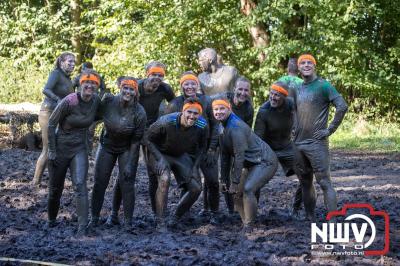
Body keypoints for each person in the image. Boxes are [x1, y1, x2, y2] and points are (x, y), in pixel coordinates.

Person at [106, 61, 175, 225]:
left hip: (153, 132)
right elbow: (121, 101)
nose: (157, 78)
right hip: (133, 132)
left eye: (160, 75)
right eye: (154, 74)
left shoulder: (165, 89)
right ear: (147, 74)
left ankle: (155, 212)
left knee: (154, 174)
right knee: (125, 173)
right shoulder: (136, 86)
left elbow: (175, 106)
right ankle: (114, 213)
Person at [292, 54, 348, 220]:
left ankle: (333, 220)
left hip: (317, 143)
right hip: (298, 143)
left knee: (324, 182)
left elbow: (342, 106)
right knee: (305, 182)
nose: (307, 65)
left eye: (310, 62)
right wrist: (293, 128)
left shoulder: (323, 86)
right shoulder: (297, 88)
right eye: (303, 63)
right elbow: (293, 109)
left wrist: (330, 129)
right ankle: (310, 218)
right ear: (299, 67)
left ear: (314, 66)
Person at [47, 71, 101, 236]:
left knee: (80, 184)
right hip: (61, 146)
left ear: (97, 87)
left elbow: (105, 114)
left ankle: (82, 227)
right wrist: (51, 149)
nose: (90, 86)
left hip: (79, 147)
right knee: (56, 188)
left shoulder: (96, 101)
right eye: (86, 82)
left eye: (94, 84)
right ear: (80, 84)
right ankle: (51, 219)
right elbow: (51, 124)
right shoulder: (70, 100)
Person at [89, 77, 147, 229]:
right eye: (125, 88)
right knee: (100, 182)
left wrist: (130, 165)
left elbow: (136, 141)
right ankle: (93, 217)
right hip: (106, 145)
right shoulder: (109, 101)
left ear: (135, 92)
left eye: (131, 89)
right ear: (120, 88)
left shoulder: (139, 112)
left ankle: (128, 222)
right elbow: (93, 116)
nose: (128, 92)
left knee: (127, 182)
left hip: (127, 148)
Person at [212, 98, 278, 231]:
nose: (219, 112)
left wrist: (235, 182)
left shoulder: (236, 127)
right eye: (216, 109)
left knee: (247, 189)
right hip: (251, 163)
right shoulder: (220, 126)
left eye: (222, 109)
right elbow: (224, 155)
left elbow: (239, 157)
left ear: (229, 109)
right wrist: (224, 180)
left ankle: (249, 226)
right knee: (236, 194)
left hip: (264, 160)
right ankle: (245, 221)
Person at [146, 97, 208, 229]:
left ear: (200, 114)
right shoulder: (167, 121)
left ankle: (175, 217)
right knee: (165, 178)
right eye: (189, 112)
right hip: (160, 152)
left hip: (180, 155)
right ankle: (160, 222)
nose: (192, 116)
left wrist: (195, 167)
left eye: (196, 113)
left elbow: (202, 147)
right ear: (183, 111)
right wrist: (159, 158)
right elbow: (146, 138)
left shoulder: (202, 125)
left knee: (196, 187)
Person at [165, 72, 219, 223]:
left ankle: (214, 212)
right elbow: (168, 127)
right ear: (181, 86)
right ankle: (183, 213)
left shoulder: (207, 101)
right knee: (188, 182)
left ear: (198, 85)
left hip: (207, 147)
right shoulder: (175, 104)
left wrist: (212, 148)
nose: (190, 87)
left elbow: (215, 126)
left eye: (193, 83)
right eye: (186, 84)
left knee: (213, 181)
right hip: (185, 150)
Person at [254, 81, 302, 217]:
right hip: (268, 148)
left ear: (284, 97)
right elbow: (258, 139)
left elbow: (305, 109)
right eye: (272, 93)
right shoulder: (263, 111)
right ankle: (253, 210)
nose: (273, 97)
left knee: (305, 174)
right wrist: (259, 158)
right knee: (255, 178)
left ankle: (296, 209)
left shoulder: (291, 104)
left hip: (287, 146)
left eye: (277, 95)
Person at [33, 52, 75, 185]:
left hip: (61, 115)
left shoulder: (68, 79)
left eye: (74, 62)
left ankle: (54, 180)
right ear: (61, 62)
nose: (73, 64)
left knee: (58, 147)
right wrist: (58, 100)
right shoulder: (56, 73)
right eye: (70, 62)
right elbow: (46, 89)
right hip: (48, 112)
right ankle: (36, 181)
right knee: (48, 147)